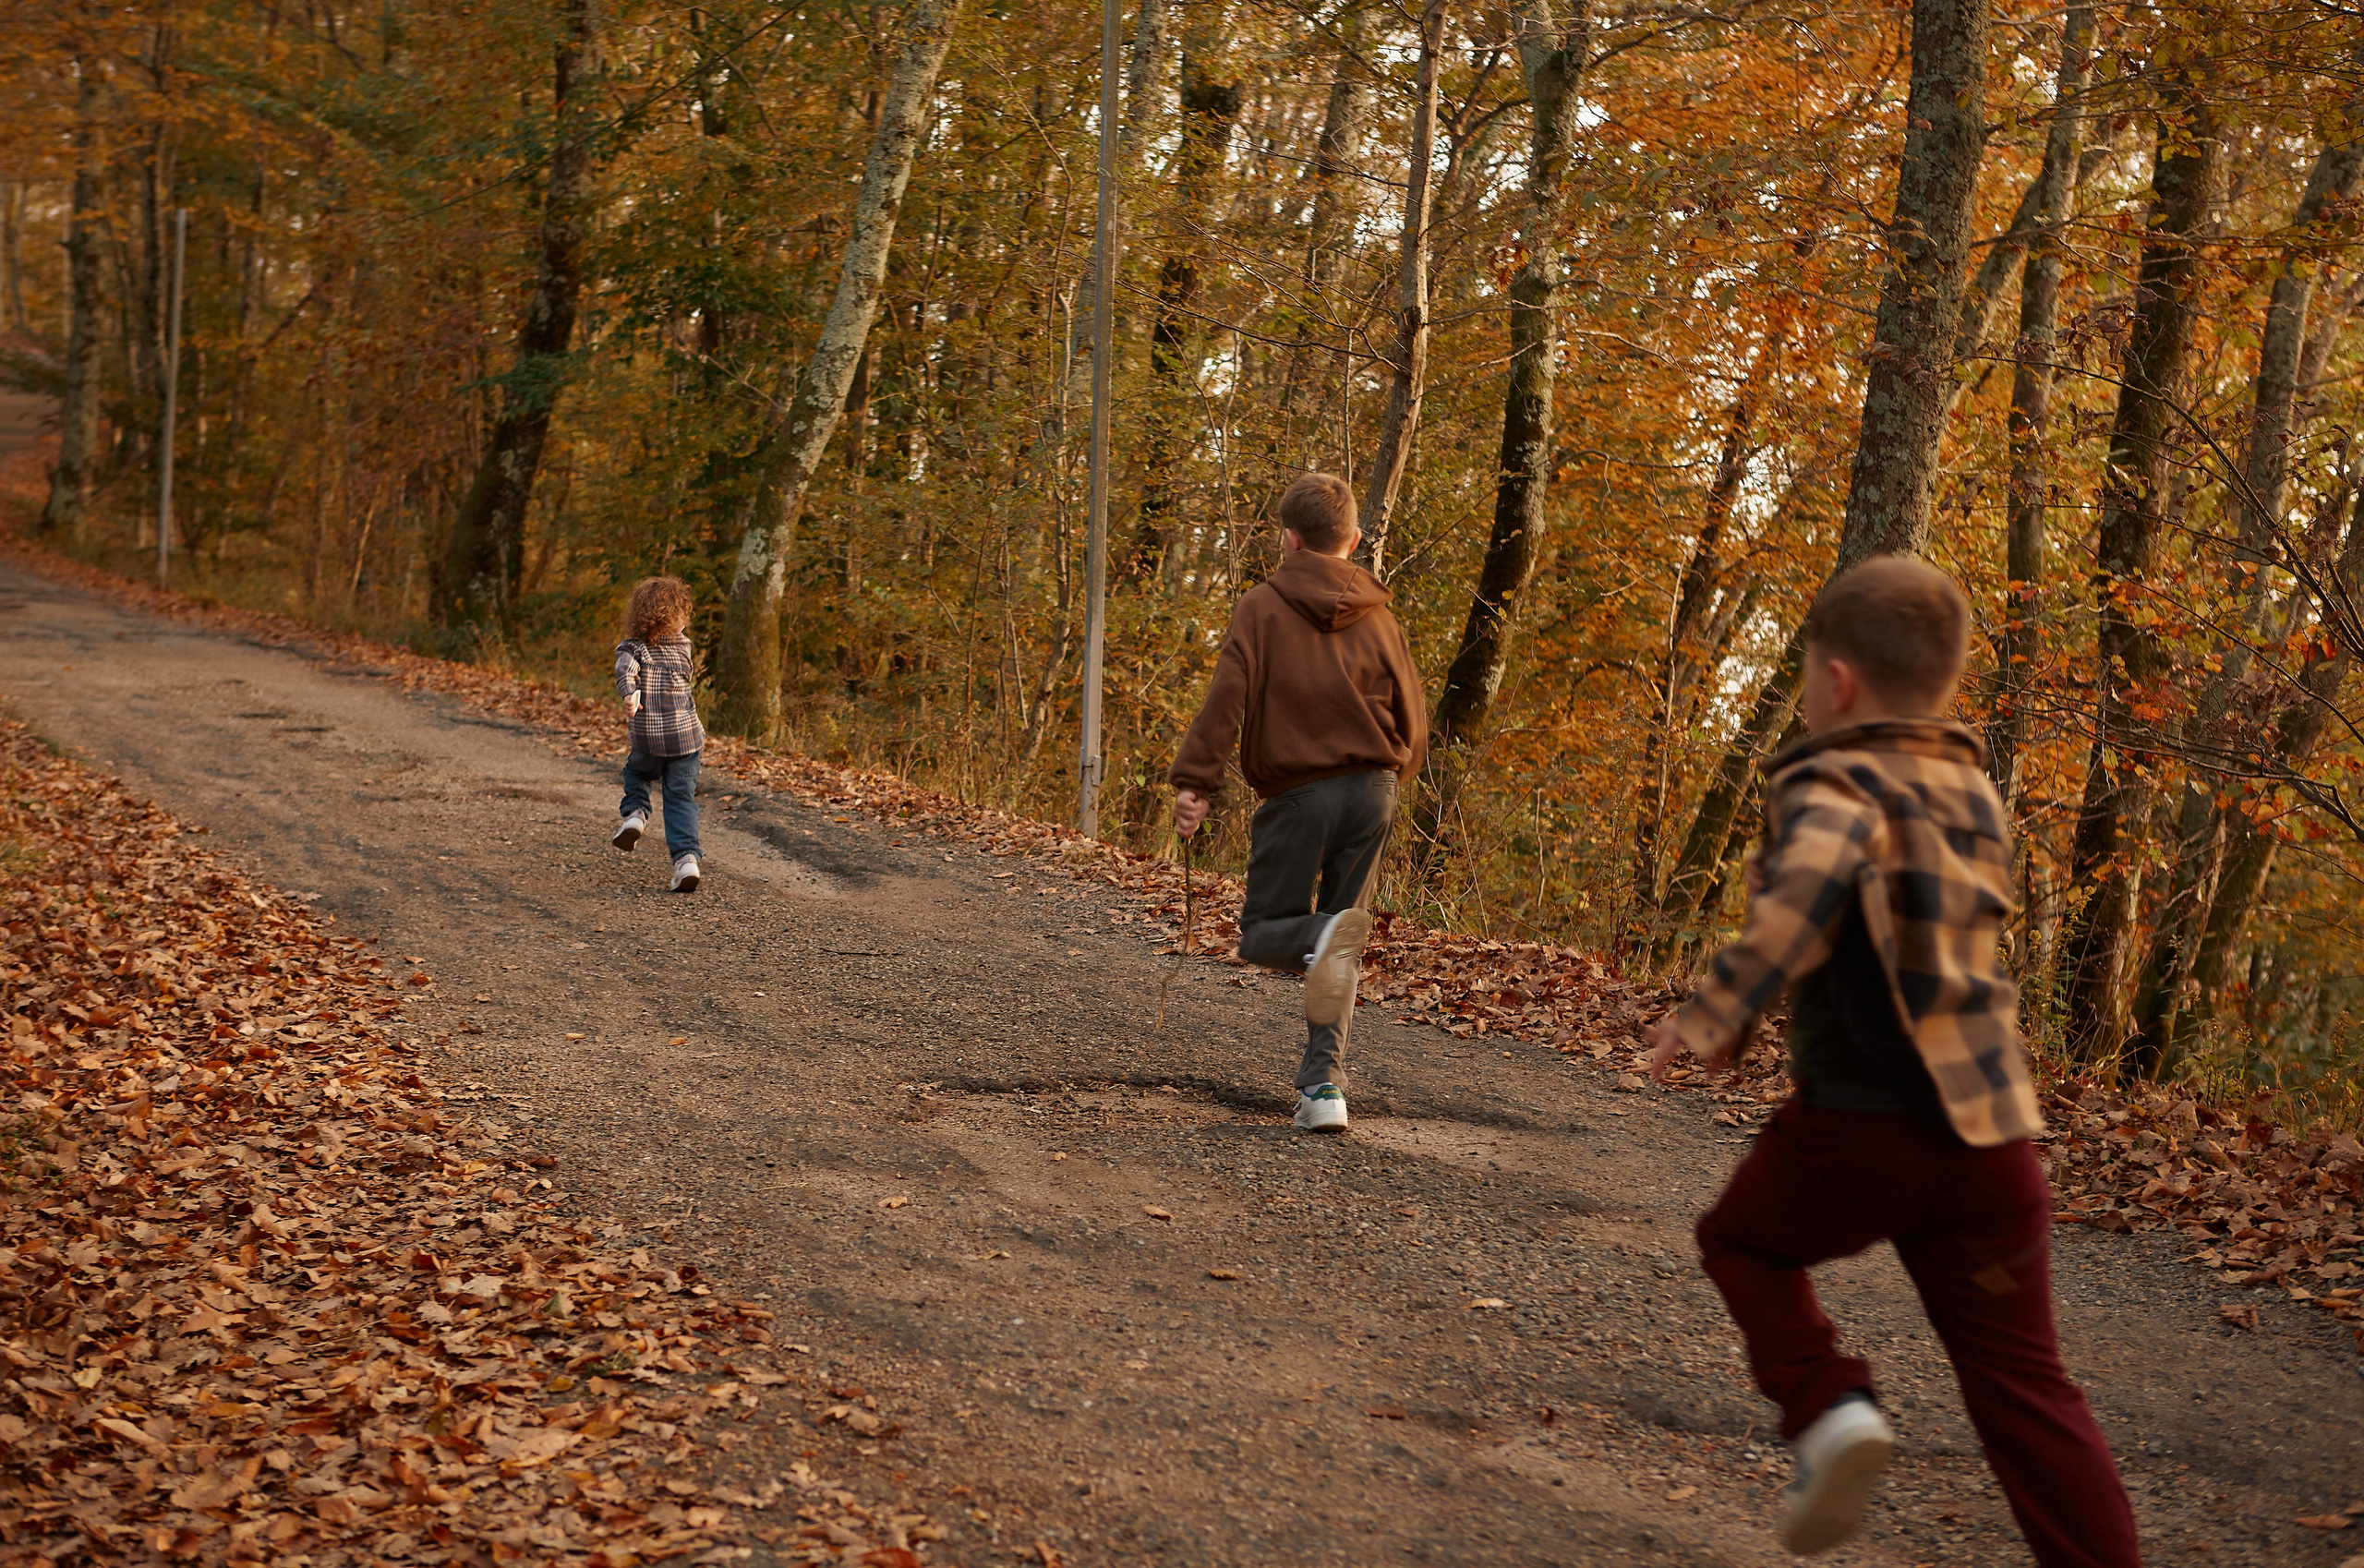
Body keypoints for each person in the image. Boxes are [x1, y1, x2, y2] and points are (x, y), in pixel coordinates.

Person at [1644, 557, 2141, 1564]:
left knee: (1742, 1243)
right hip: (1992, 1142)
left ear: (1833, 685)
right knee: (2027, 1391)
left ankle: (1830, 1409)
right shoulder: (1970, 792)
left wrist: (1713, 1014)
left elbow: (1811, 890)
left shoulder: (1834, 779)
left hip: (1864, 1127)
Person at [1169, 472, 1427, 1134]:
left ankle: (1318, 946)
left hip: (1298, 792)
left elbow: (1227, 698)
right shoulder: (1381, 617)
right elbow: (1414, 714)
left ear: (1289, 539)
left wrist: (1197, 784)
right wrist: (1393, 777)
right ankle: (1324, 1091)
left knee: (1267, 935)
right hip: (1375, 789)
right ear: (1355, 538)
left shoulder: (1261, 606)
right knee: (1341, 945)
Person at [611, 575, 706, 893]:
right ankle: (686, 860)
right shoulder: (684, 648)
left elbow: (626, 671)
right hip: (686, 738)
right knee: (681, 799)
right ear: (674, 617)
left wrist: (630, 693)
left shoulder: (632, 648)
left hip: (649, 738)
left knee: (636, 771)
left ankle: (636, 813)